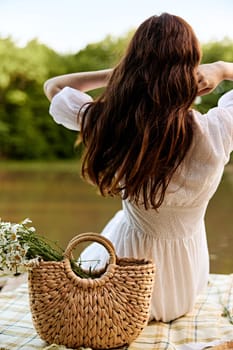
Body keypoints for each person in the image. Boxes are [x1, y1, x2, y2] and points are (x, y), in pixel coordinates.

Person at [44, 13, 233, 322]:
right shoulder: (219, 128)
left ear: (133, 64)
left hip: (123, 285)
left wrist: (125, 73)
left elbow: (54, 86)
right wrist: (222, 69)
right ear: (192, 66)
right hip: (185, 288)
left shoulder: (108, 122)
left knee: (122, 219)